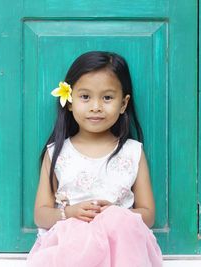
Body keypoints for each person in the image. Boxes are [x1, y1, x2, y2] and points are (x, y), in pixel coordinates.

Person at [27, 51, 163, 267]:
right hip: (71, 247)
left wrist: (117, 214)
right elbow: (40, 215)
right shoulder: (57, 153)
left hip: (122, 248)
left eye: (107, 98)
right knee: (80, 236)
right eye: (85, 97)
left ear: (123, 103)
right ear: (70, 101)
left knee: (119, 222)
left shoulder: (132, 151)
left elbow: (147, 215)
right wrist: (69, 213)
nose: (96, 106)